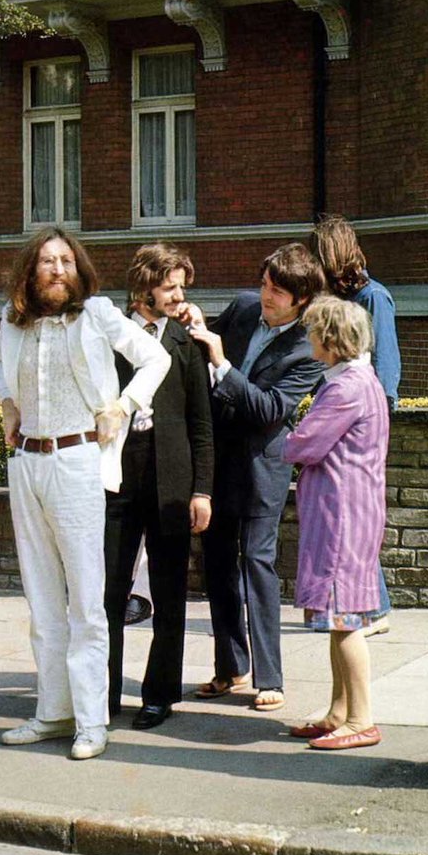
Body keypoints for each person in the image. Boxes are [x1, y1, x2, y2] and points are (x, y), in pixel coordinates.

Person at [0, 228, 170, 760]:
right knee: (42, 597)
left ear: (79, 269)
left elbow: (154, 359)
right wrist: (7, 404)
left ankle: (92, 723)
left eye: (65, 260)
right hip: (27, 462)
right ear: (31, 270)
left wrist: (125, 404)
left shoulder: (97, 314)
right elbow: (1, 364)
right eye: (46, 261)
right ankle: (53, 712)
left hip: (78, 462)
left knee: (87, 603)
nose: (56, 269)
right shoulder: (12, 319)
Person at [186, 244, 325, 713]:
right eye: (265, 283)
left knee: (258, 566)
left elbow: (268, 409)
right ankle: (230, 667)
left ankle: (271, 677)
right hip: (218, 461)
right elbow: (200, 342)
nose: (265, 295)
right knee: (219, 564)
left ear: (301, 299)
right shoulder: (245, 307)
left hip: (261, 467)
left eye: (277, 291)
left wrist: (222, 363)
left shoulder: (306, 349)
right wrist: (193, 320)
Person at [104, 242, 214, 730]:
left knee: (169, 595)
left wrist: (202, 490)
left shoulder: (186, 342)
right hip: (115, 482)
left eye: (181, 287)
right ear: (143, 288)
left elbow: (201, 423)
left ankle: (159, 694)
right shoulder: (108, 335)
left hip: (171, 484)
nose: (178, 295)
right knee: (106, 592)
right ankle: (102, 694)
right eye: (169, 286)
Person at [283, 295, 389, 749]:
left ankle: (360, 719)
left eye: (312, 331)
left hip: (342, 513)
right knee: (336, 617)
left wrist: (290, 435)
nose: (307, 338)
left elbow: (303, 445)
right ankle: (339, 711)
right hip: (350, 509)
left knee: (344, 618)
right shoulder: (361, 380)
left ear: (330, 338)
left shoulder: (346, 388)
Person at [311, 214, 401, 637]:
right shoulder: (345, 299)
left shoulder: (374, 298)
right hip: (347, 419)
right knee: (350, 522)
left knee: (357, 520)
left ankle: (372, 610)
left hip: (363, 426)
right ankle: (369, 608)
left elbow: (384, 369)